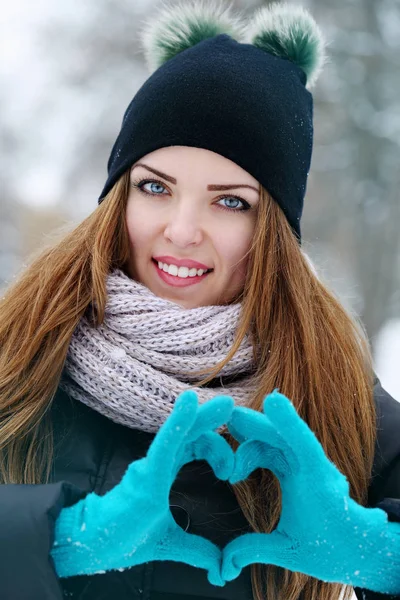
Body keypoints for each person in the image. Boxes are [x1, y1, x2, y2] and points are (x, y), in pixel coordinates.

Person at [0, 2, 399, 600]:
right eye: (155, 187)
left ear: (274, 236)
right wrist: (50, 540)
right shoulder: (21, 348)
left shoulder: (328, 382)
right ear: (119, 198)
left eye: (230, 201)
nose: (182, 230)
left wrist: (383, 556)